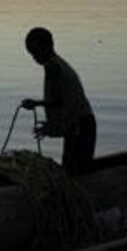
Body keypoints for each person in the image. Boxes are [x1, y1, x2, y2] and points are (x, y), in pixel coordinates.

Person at [21, 27, 96, 175]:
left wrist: (36, 104)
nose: (35, 57)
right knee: (78, 171)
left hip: (80, 126)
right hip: (83, 123)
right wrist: (52, 126)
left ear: (47, 46)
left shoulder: (52, 66)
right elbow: (62, 101)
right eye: (32, 53)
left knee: (73, 173)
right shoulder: (58, 63)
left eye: (36, 52)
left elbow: (56, 101)